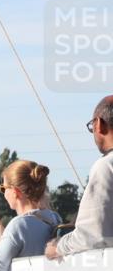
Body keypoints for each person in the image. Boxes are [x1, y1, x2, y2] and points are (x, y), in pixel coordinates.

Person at [47, 95, 113, 259]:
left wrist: (57, 246)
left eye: (92, 126)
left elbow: (92, 237)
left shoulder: (106, 167)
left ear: (98, 124)